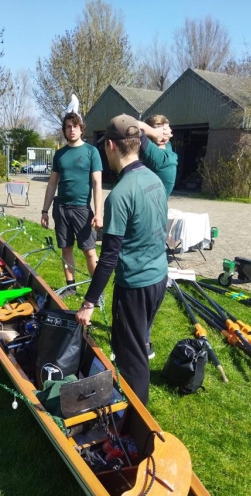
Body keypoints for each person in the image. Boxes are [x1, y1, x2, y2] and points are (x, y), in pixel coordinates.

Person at [76, 114, 168, 406]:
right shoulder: (154, 180)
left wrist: (88, 303)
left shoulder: (119, 195)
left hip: (136, 287)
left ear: (112, 147)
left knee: (132, 359)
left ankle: (136, 423)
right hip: (159, 278)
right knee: (137, 343)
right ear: (138, 143)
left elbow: (109, 259)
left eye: (105, 146)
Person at [41, 111, 103, 298]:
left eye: (75, 126)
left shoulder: (92, 152)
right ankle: (70, 286)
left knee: (89, 252)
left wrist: (98, 213)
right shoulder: (59, 154)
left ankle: (96, 292)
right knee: (66, 249)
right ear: (64, 130)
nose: (72, 130)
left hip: (82, 210)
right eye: (68, 126)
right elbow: (52, 183)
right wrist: (44, 210)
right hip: (61, 208)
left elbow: (97, 183)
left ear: (81, 128)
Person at [137, 115, 178, 359]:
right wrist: (151, 131)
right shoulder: (155, 149)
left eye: (168, 126)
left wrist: (155, 132)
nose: (168, 130)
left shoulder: (164, 151)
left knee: (148, 280)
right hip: (147, 218)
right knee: (145, 280)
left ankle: (143, 338)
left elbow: (130, 122)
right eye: (163, 127)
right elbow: (130, 121)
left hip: (153, 221)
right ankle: (141, 338)